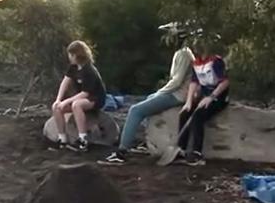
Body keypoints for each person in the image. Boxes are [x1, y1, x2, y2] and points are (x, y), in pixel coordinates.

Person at [100, 22, 194, 165]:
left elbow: (177, 81)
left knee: (135, 110)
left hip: (178, 95)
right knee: (148, 100)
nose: (166, 38)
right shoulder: (181, 52)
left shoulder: (184, 54)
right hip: (176, 93)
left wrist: (159, 93)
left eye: (169, 35)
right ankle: (147, 141)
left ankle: (121, 152)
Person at [174, 33, 230, 166]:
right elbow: (194, 82)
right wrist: (188, 102)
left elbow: (225, 82)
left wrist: (211, 97)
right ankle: (180, 149)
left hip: (218, 96)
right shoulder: (196, 62)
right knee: (185, 114)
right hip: (203, 95)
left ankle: (197, 153)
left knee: (198, 117)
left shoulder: (216, 61)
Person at [51, 40, 106, 153]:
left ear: (77, 55)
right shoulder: (73, 68)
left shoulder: (89, 70)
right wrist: (58, 100)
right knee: (56, 107)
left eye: (71, 55)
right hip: (82, 96)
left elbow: (85, 93)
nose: (69, 58)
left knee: (77, 105)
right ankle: (62, 139)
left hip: (94, 98)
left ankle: (83, 139)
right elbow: (65, 82)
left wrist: (67, 101)